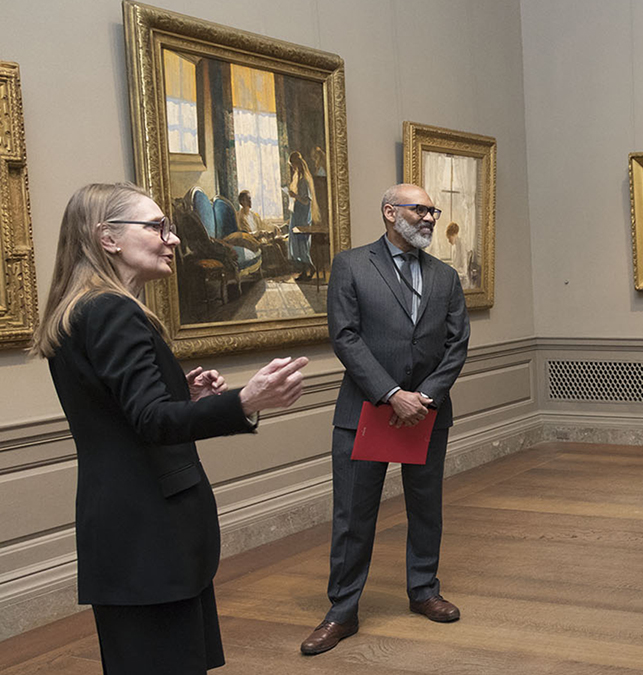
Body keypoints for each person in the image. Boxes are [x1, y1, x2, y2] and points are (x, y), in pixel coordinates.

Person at [29, 183, 308, 673]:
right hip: (148, 534)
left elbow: (119, 414)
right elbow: (152, 420)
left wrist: (186, 395)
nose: (173, 239)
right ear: (108, 238)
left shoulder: (84, 310)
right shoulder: (112, 310)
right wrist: (243, 401)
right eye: (157, 227)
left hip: (127, 528)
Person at [301, 184, 470, 656]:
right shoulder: (352, 265)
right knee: (354, 516)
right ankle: (342, 612)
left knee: (426, 508)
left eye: (433, 211)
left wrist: (426, 396)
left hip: (428, 413)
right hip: (366, 412)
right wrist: (392, 394)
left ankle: (424, 591)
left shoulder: (444, 275)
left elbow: (457, 343)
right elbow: (346, 336)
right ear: (390, 212)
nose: (430, 218)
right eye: (421, 210)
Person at [287, 151, 319, 282]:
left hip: (303, 216)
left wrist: (295, 196)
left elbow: (306, 201)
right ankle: (303, 271)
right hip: (297, 214)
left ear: (297, 164)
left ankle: (310, 268)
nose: (292, 168)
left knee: (303, 244)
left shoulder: (304, 181)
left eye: (293, 165)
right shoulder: (299, 179)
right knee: (297, 243)